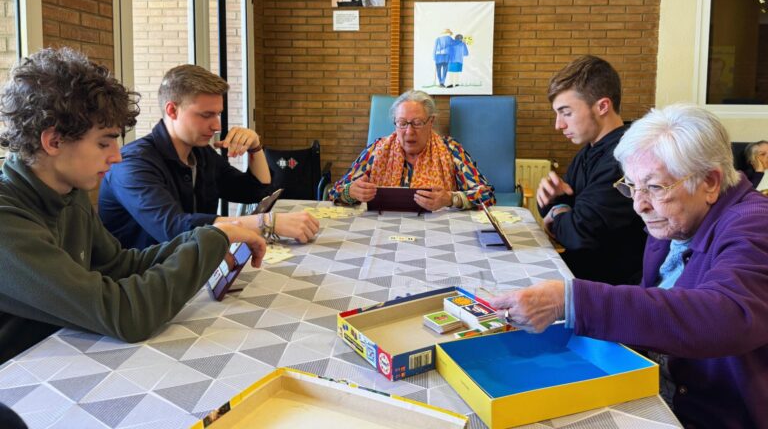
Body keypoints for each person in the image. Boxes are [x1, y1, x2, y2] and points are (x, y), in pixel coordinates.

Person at [488, 104, 768, 429]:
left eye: (655, 187)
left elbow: (727, 314)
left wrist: (572, 301)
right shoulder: (675, 220)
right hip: (653, 385)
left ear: (710, 182)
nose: (639, 205)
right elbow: (657, 300)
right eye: (632, 186)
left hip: (707, 415)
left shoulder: (755, 224)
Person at [0, 48, 267, 362]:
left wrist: (211, 237)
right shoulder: (8, 221)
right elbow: (127, 317)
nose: (116, 156)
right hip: (21, 379)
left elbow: (118, 265)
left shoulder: (68, 193)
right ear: (54, 141)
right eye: (104, 142)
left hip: (65, 355)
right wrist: (209, 243)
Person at [99, 64, 319, 250]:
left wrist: (255, 148)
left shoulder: (200, 153)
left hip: (190, 269)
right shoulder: (132, 163)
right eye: (206, 115)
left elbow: (254, 191)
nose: (217, 126)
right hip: (141, 280)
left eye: (218, 114)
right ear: (172, 110)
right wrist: (265, 223)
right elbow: (174, 228)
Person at [536, 55, 646, 284]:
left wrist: (557, 211)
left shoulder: (625, 158)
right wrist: (556, 203)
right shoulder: (589, 151)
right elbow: (561, 207)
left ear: (602, 106)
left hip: (607, 287)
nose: (558, 125)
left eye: (566, 113)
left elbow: (578, 233)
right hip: (580, 272)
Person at [328, 90, 494, 210]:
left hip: (436, 231)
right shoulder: (377, 150)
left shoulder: (451, 150)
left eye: (417, 123)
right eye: (402, 123)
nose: (409, 132)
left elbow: (486, 195)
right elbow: (334, 192)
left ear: (431, 122)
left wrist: (451, 199)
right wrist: (350, 192)